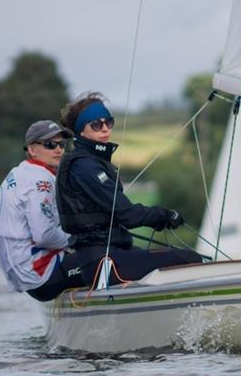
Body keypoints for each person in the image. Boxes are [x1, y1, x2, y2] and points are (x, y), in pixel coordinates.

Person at [56, 92, 202, 288]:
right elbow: (127, 215)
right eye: (96, 125)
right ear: (81, 131)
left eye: (108, 122)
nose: (105, 128)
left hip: (109, 256)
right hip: (101, 263)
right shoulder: (85, 167)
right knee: (189, 259)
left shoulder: (92, 162)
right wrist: (163, 215)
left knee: (180, 257)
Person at [0, 119, 84, 301]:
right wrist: (76, 239)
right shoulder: (40, 180)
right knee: (109, 258)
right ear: (32, 150)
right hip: (41, 276)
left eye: (62, 144)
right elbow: (45, 236)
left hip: (24, 275)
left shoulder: (20, 172)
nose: (58, 150)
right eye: (50, 144)